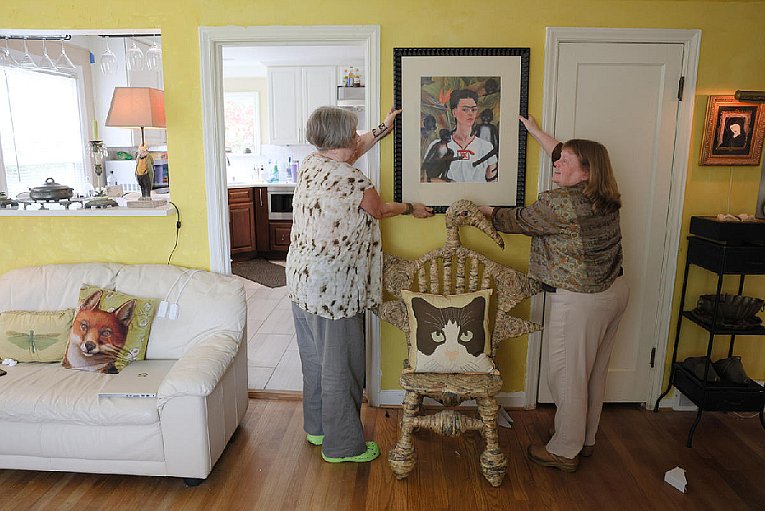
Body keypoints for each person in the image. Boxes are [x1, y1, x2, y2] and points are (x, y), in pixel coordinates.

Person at [479, 114, 629, 473]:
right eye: (559, 158)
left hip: (580, 300)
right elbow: (563, 152)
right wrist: (536, 132)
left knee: (567, 377)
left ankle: (564, 450)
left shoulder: (559, 204)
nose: (557, 162)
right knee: (593, 374)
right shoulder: (605, 193)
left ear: (586, 172)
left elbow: (512, 221)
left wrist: (482, 209)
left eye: (565, 162)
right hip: (615, 291)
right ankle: (585, 439)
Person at [287, 106, 433, 464]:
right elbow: (379, 210)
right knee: (342, 366)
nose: (357, 137)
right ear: (340, 139)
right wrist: (411, 207)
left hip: (302, 281)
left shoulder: (311, 163)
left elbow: (354, 148)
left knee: (316, 360)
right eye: (353, 133)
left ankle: (318, 427)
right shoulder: (355, 181)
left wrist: (383, 128)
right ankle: (343, 446)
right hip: (335, 291)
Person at [423, 89, 497, 182]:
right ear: (454, 112)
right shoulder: (438, 146)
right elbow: (427, 180)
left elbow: (493, 181)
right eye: (465, 109)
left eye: (473, 109)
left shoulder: (486, 147)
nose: (470, 113)